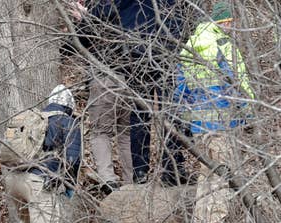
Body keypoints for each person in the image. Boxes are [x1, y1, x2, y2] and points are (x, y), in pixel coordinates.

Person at [69, 0, 191, 187]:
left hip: (135, 55)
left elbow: (99, 17)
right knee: (169, 112)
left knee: (139, 117)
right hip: (166, 49)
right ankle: (172, 168)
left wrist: (83, 21)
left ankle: (140, 172)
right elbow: (184, 14)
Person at [174, 2, 255, 223]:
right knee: (221, 177)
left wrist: (189, 121)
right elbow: (238, 84)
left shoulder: (191, 46)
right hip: (222, 123)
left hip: (200, 126)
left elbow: (181, 91)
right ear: (226, 21)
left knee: (205, 176)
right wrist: (248, 114)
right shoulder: (223, 45)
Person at [3, 85, 81, 223]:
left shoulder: (35, 118)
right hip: (38, 183)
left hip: (14, 180)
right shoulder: (68, 122)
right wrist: (69, 185)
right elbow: (72, 159)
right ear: (70, 104)